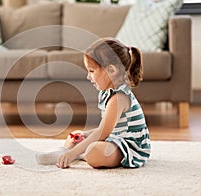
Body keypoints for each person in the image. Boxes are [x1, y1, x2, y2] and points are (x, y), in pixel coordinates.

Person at [36, 37, 151, 169]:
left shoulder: (118, 98)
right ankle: (64, 151)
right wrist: (86, 135)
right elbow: (107, 130)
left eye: (91, 71)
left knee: (93, 151)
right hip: (114, 138)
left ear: (112, 70)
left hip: (130, 146)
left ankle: (76, 154)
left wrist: (75, 151)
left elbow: (103, 132)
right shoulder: (108, 92)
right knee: (77, 134)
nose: (88, 76)